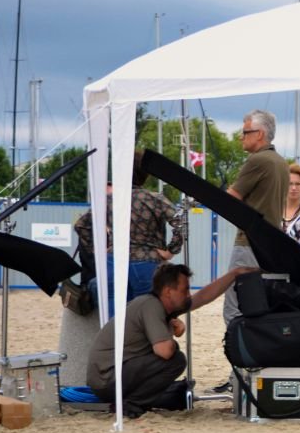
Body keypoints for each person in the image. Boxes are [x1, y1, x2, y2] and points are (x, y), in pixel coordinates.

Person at [86, 263, 255, 417]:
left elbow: (202, 298)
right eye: (184, 290)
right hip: (106, 379)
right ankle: (130, 405)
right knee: (176, 360)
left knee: (172, 359)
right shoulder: (151, 306)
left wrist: (234, 274)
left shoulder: (161, 306)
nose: (188, 295)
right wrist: (172, 334)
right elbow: (164, 351)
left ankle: (132, 402)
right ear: (168, 291)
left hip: (111, 375)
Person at [74, 155, 185, 314]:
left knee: (114, 322)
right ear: (145, 174)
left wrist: (98, 252)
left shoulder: (109, 200)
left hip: (114, 262)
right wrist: (170, 251)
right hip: (147, 262)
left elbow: (81, 225)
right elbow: (180, 222)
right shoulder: (155, 199)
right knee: (146, 316)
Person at [223, 109, 289, 325]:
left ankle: (238, 350)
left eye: (245, 132)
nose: (241, 136)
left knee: (235, 303)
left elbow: (230, 199)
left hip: (249, 241)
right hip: (271, 244)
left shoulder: (257, 160)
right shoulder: (280, 162)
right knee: (260, 302)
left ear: (259, 134)